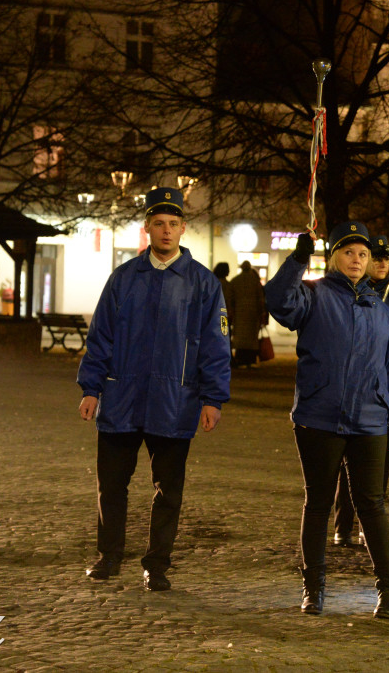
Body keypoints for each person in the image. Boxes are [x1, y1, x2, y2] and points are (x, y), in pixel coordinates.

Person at [76, 187, 231, 592]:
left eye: (173, 224)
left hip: (174, 402)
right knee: (111, 485)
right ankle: (109, 557)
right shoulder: (124, 278)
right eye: (158, 224)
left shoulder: (202, 284)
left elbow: (216, 345)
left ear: (183, 228)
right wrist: (91, 388)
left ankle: (156, 564)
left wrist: (213, 398)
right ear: (147, 229)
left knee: (169, 493)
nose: (165, 231)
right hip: (122, 398)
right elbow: (101, 337)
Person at [264, 221, 389, 619]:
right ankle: (313, 587)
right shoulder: (312, 295)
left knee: (372, 505)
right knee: (318, 503)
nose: (357, 260)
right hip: (319, 416)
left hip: (370, 421)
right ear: (333, 257)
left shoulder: (379, 310)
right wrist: (297, 260)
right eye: (349, 252)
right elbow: (277, 300)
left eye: (363, 254)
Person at [332, 235, 389, 547]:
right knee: (347, 457)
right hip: (355, 383)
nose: (383, 263)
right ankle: (342, 523)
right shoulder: (356, 291)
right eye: (378, 257)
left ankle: (367, 524)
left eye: (387, 259)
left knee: (379, 460)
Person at [230, 261, 265, 368]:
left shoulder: (235, 281)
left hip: (239, 313)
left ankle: (240, 359)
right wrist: (262, 312)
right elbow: (261, 299)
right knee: (251, 338)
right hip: (253, 314)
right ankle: (250, 360)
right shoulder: (255, 281)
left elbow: (231, 299)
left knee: (240, 338)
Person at [213, 262, 236, 340]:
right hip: (224, 316)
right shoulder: (227, 285)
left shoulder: (212, 283)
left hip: (213, 315)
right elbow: (229, 300)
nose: (229, 271)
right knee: (224, 336)